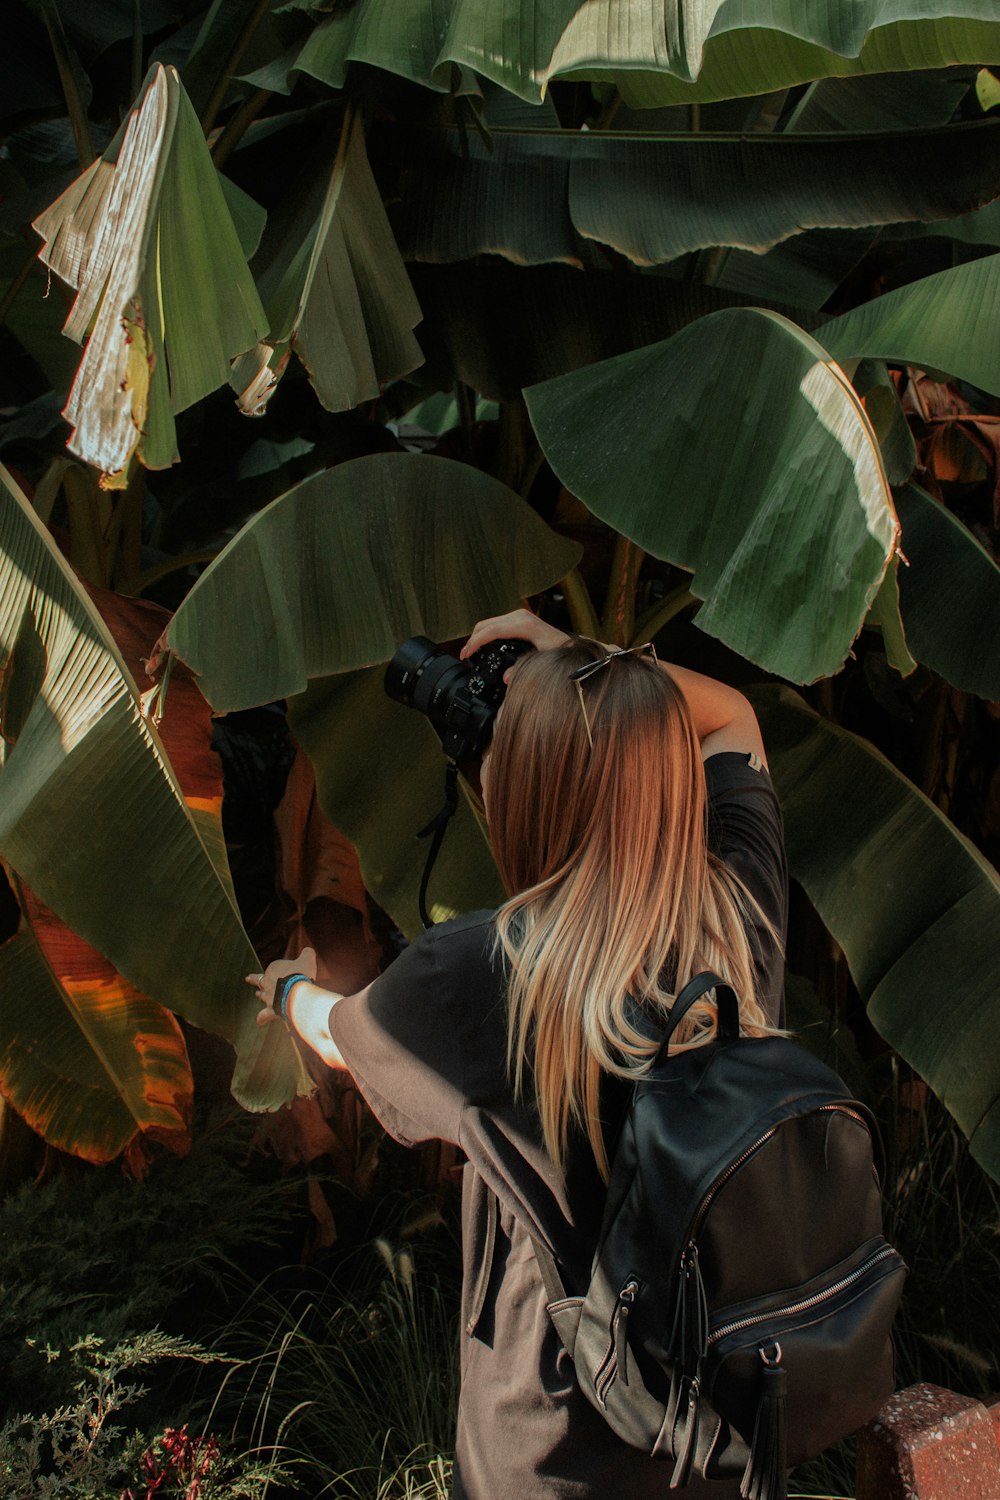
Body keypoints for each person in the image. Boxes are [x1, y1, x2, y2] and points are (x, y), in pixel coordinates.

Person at [246, 608, 787, 1500]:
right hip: (718, 1442)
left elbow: (341, 1040)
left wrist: (293, 988)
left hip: (551, 1460)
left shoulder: (478, 980)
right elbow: (732, 717)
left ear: (527, 798)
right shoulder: (738, 916)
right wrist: (591, 668)